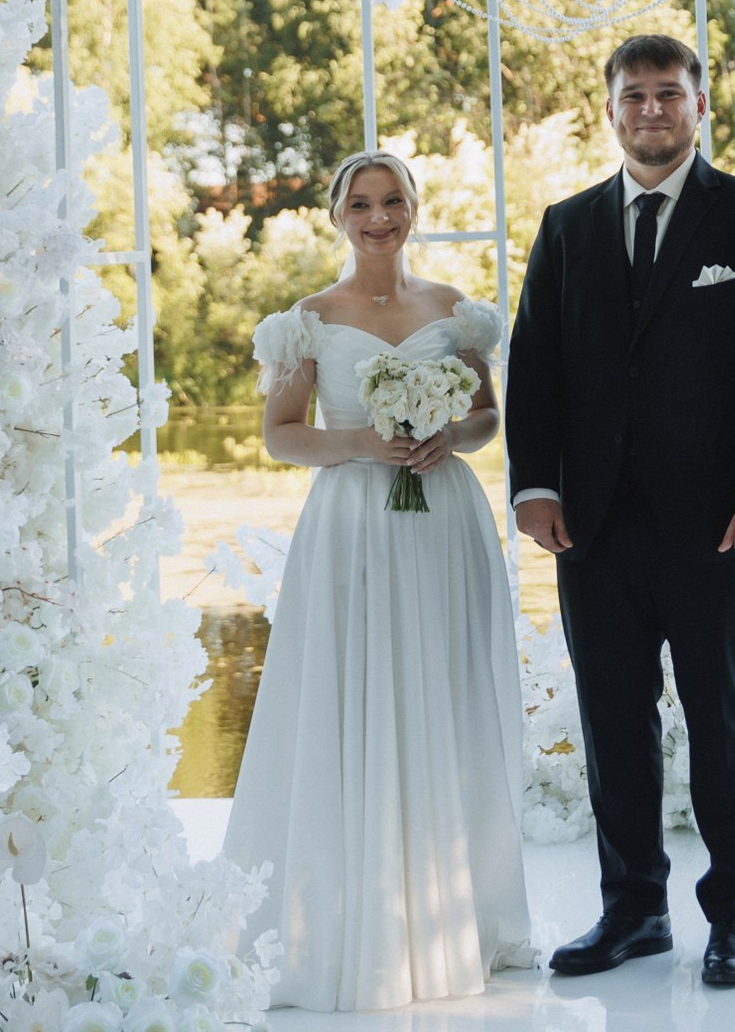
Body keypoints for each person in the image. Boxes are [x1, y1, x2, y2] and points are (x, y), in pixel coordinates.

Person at [507, 33, 735, 990]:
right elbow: (536, 368)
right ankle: (633, 908)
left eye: (668, 94)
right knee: (613, 720)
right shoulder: (566, 227)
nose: (651, 109)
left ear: (699, 105)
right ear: (611, 110)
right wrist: (535, 486)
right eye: (634, 95)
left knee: (725, 719)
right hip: (593, 527)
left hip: (721, 524)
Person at [221, 150, 534, 1011]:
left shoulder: (454, 311)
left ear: (413, 209)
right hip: (355, 527)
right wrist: (365, 442)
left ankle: (452, 912)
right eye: (361, 202)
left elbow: (485, 415)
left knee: (444, 695)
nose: (379, 216)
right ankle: (352, 921)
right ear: (337, 215)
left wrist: (449, 435)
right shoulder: (308, 320)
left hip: (444, 526)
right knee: (356, 696)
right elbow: (281, 435)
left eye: (393, 200)